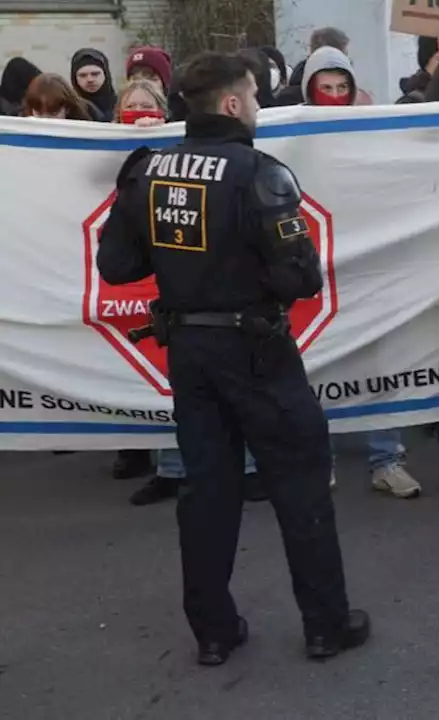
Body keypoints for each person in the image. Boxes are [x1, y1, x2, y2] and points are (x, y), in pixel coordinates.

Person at [95, 51, 370, 665]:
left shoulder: (146, 173)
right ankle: (326, 624)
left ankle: (214, 633)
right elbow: (300, 279)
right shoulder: (259, 173)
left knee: (206, 489)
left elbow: (116, 267)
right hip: (256, 349)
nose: (256, 105)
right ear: (231, 103)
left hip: (188, 351)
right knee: (300, 484)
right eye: (251, 95)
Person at [21, 74, 94, 121]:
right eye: (39, 113)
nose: (45, 119)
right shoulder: (17, 124)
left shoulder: (93, 120)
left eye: (53, 113)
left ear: (68, 108)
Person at [70, 48, 115, 121]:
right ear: (75, 79)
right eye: (83, 75)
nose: (90, 80)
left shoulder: (123, 105)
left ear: (105, 75)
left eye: (95, 74)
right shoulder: (69, 109)